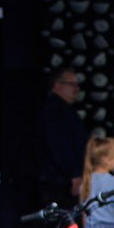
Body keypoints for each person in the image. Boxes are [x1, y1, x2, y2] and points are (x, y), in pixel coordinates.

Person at [39, 66, 88, 201]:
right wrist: (74, 174)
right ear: (57, 85)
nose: (76, 89)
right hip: (59, 183)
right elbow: (59, 145)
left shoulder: (64, 111)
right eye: (72, 84)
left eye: (78, 85)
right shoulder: (54, 112)